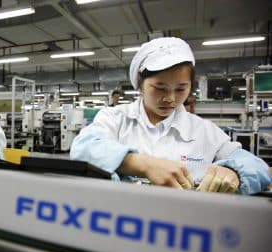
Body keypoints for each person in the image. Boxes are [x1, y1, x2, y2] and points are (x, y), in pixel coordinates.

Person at [70, 37, 271, 195]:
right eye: (160, 88)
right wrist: (144, 165)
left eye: (181, 88)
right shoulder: (115, 118)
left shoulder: (204, 131)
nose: (170, 98)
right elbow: (83, 148)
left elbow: (257, 167)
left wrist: (234, 172)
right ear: (140, 83)